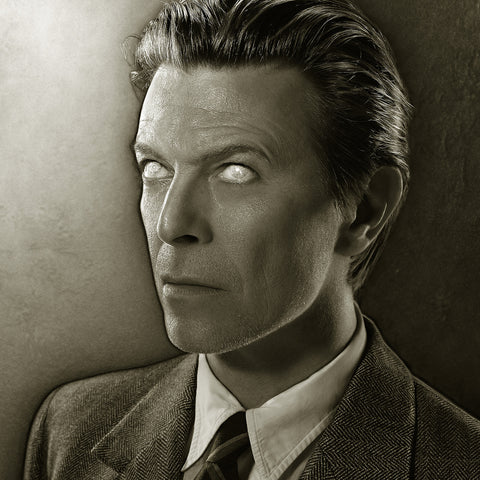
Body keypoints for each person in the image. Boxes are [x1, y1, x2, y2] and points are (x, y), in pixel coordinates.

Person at [24, 0, 480, 479]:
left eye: (236, 171)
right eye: (156, 167)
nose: (171, 225)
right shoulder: (69, 431)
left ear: (365, 208)